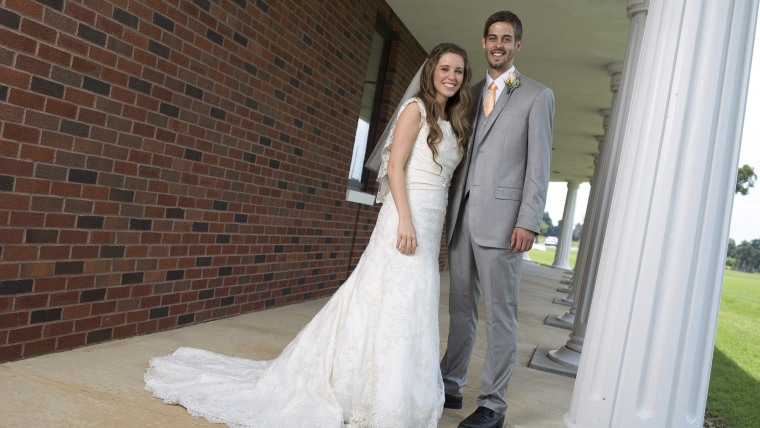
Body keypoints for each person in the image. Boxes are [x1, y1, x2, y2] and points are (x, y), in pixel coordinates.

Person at [144, 42, 472, 428]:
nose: (452, 76)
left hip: (430, 222)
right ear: (432, 70)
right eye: (445, 68)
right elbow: (395, 168)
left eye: (460, 71)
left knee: (412, 301)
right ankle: (371, 392)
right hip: (405, 218)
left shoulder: (456, 121)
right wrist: (404, 220)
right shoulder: (415, 110)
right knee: (387, 297)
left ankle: (397, 392)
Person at [440, 11, 554, 428]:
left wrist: (528, 220)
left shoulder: (537, 96)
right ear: (484, 42)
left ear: (517, 45)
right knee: (460, 310)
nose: (499, 45)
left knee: (500, 316)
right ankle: (450, 384)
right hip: (461, 221)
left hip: (506, 225)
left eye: (507, 39)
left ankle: (492, 405)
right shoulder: (467, 95)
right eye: (492, 38)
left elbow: (538, 167)